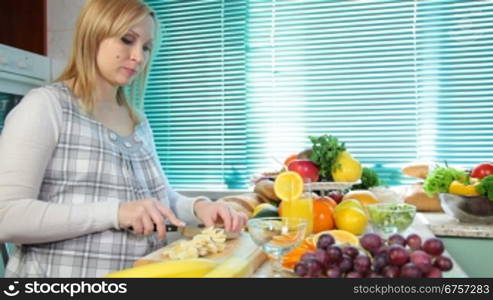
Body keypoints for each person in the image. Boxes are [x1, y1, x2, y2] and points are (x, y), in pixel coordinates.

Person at [0, 0, 247, 277]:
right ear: (93, 34)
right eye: (127, 40)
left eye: (145, 47)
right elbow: (6, 217)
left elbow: (160, 198)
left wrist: (199, 207)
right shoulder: (46, 106)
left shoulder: (137, 120)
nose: (139, 57)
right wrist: (116, 212)